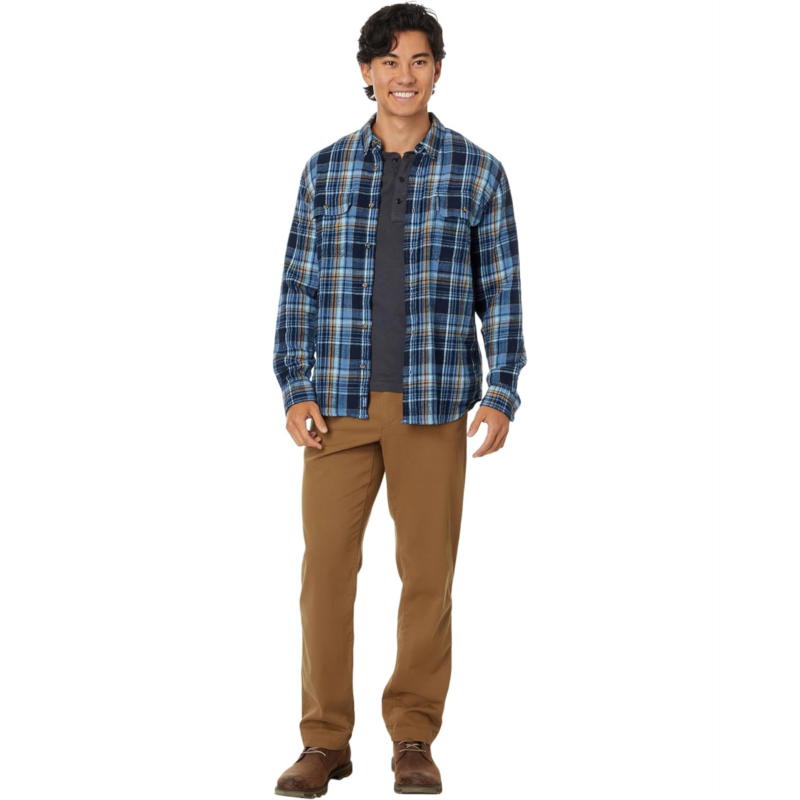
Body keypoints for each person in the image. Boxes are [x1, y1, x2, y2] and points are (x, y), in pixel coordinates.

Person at [272, 3, 527, 795]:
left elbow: (502, 292)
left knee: (426, 578)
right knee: (325, 574)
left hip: (435, 405)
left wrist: (503, 389)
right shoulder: (324, 170)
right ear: (366, 72)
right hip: (339, 407)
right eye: (388, 61)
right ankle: (324, 742)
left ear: (438, 70)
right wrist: (294, 384)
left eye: (418, 60)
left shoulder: (478, 171)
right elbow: (298, 287)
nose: (403, 76)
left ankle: (413, 736)